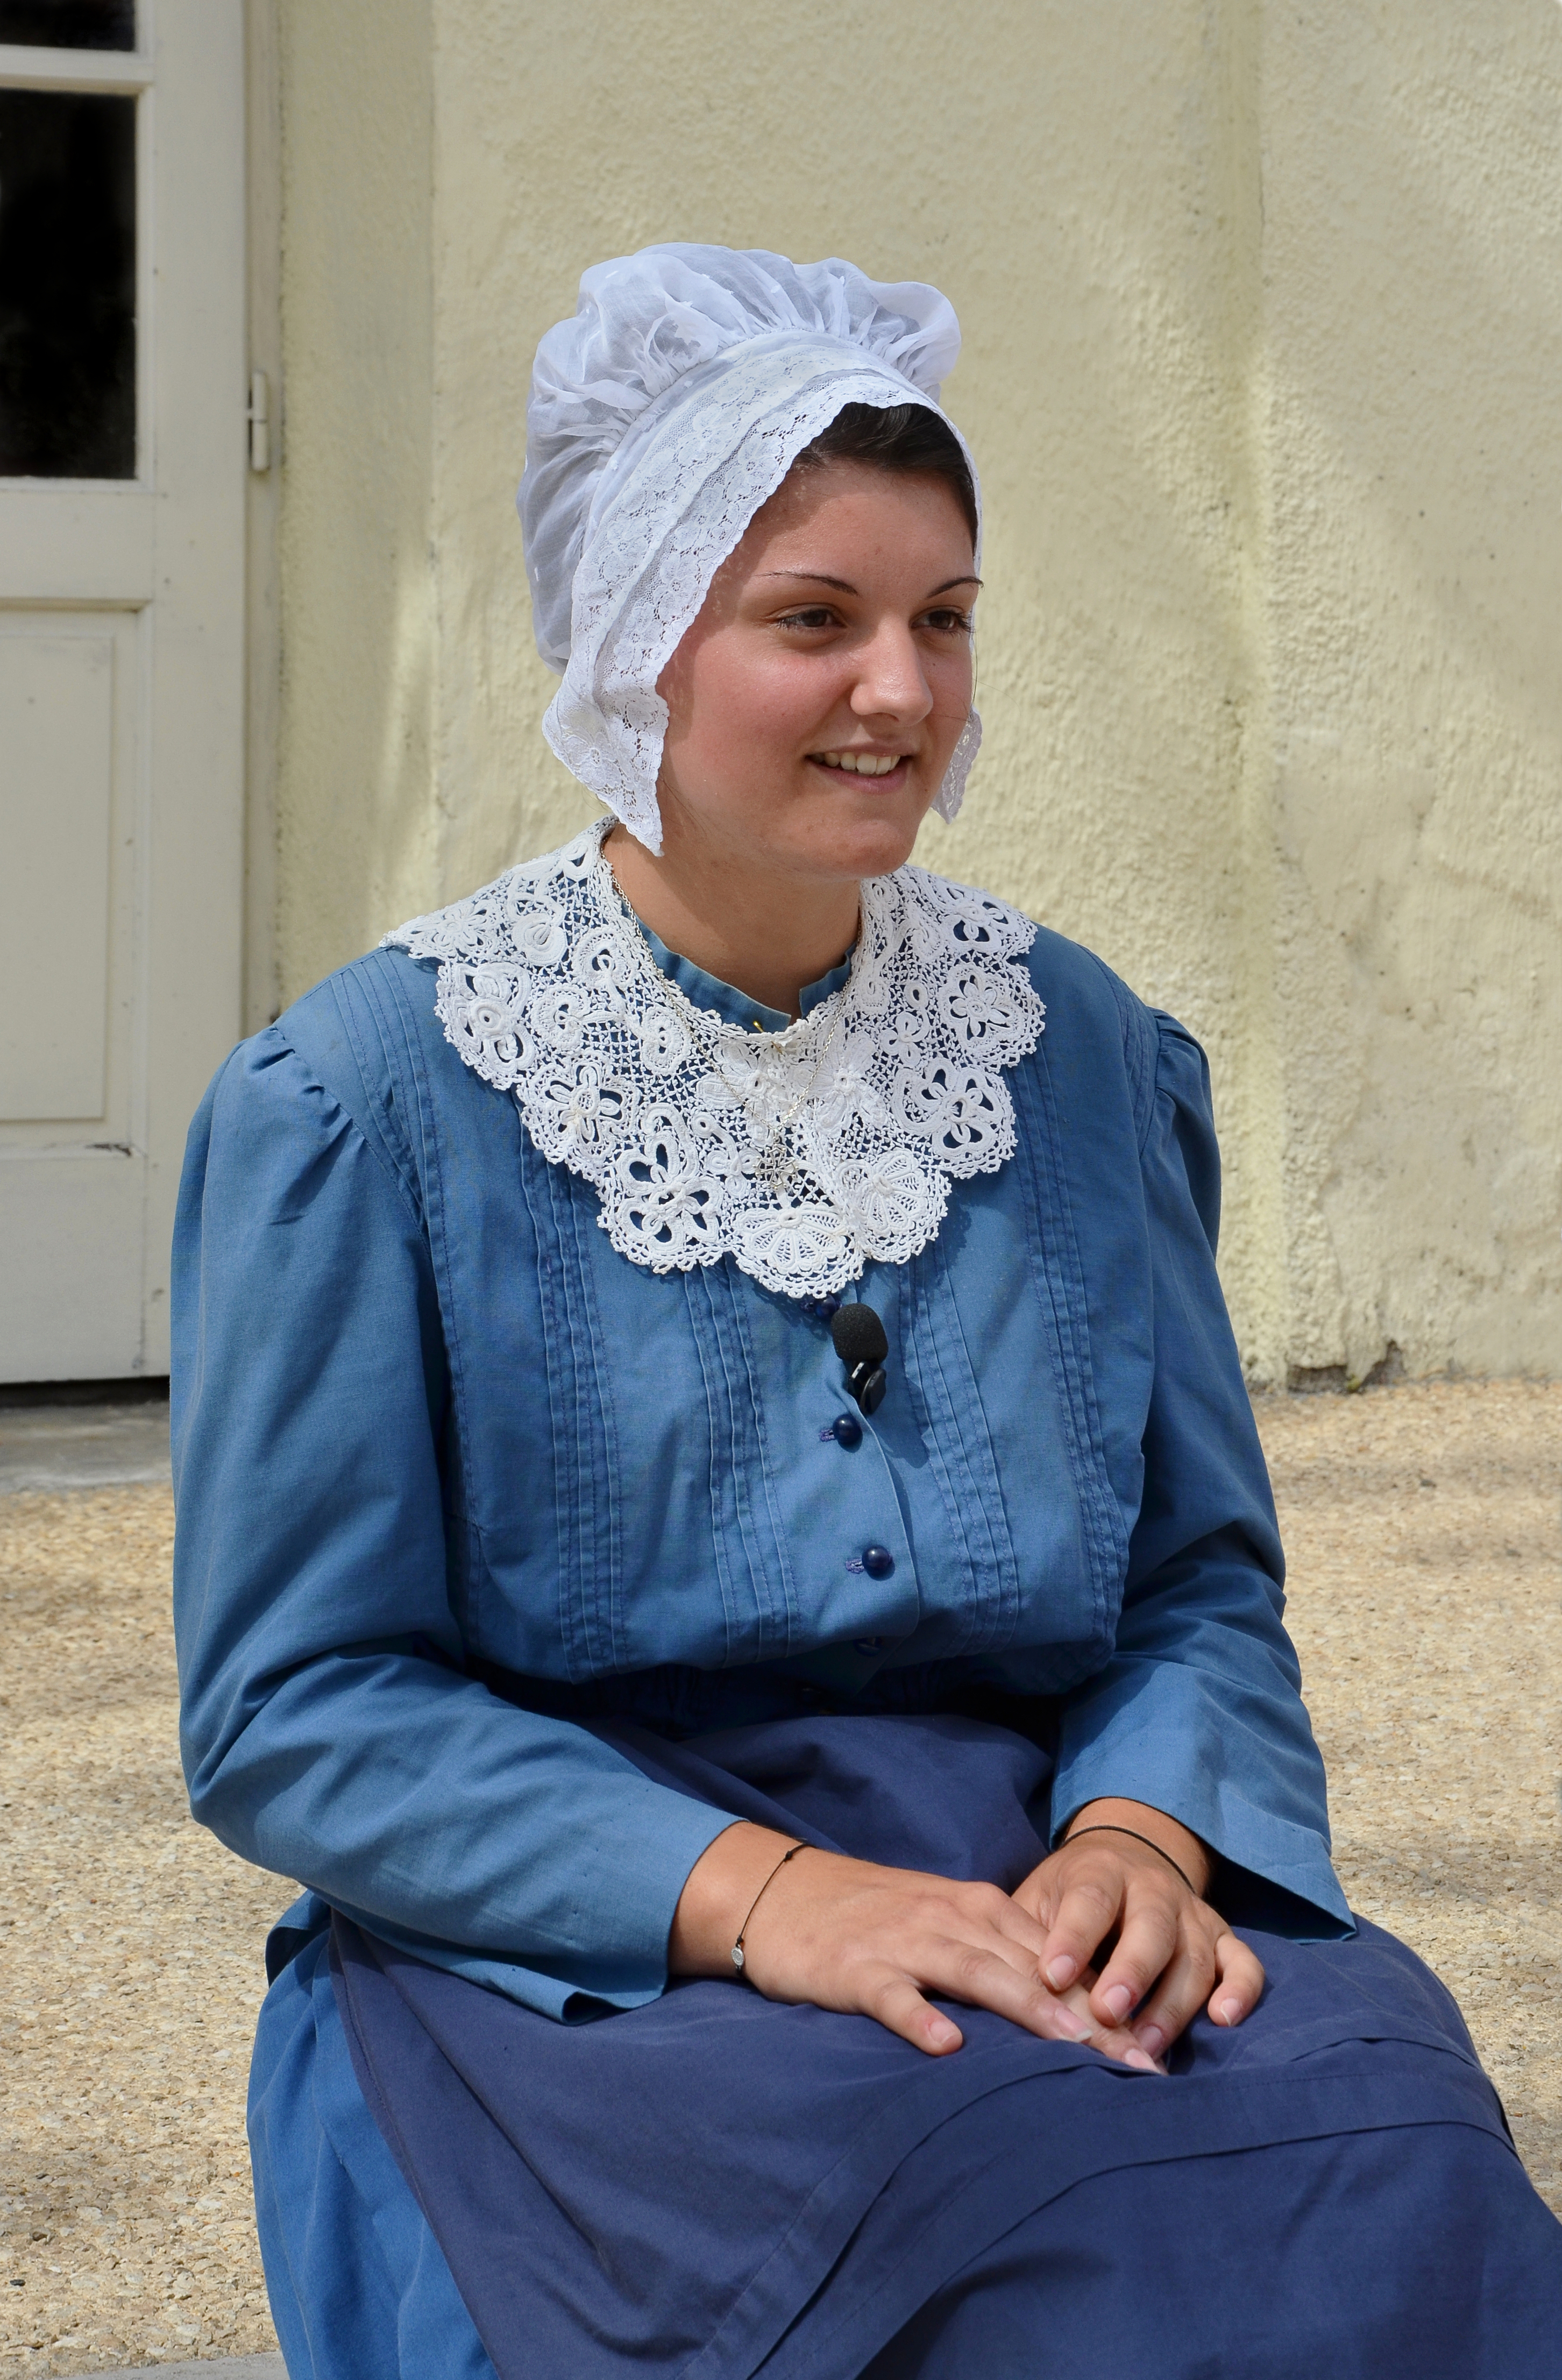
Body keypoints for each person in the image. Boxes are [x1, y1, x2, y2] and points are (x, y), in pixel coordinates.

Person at [172, 245, 1561, 2379]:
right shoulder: (367, 1107)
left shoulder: (1080, 1053)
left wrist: (1139, 1833)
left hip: (1031, 1856)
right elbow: (299, 1706)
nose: (902, 690)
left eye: (944, 618)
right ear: (633, 644)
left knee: (1399, 2131)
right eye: (813, 618)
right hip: (590, 1953)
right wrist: (773, 1899)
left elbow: (1194, 1574)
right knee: (1009, 2223)